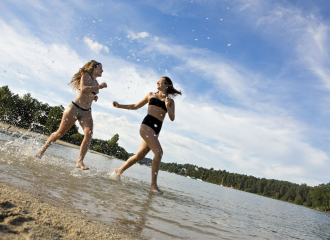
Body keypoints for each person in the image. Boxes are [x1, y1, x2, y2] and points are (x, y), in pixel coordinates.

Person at [111, 76, 181, 194]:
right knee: (159, 152)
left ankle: (118, 171)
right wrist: (119, 105)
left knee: (139, 156)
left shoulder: (171, 101)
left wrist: (168, 106)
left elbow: (172, 118)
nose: (157, 82)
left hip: (156, 131)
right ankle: (153, 185)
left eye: (160, 81)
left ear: (166, 85)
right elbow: (136, 106)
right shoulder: (150, 95)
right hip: (146, 127)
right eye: (158, 81)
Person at [36, 60, 107, 170]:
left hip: (86, 111)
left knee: (89, 133)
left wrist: (94, 96)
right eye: (100, 68)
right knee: (59, 133)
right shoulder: (86, 75)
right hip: (74, 108)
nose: (102, 70)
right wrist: (100, 88)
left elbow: (89, 92)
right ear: (93, 68)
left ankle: (80, 162)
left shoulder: (96, 82)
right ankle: (42, 149)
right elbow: (83, 89)